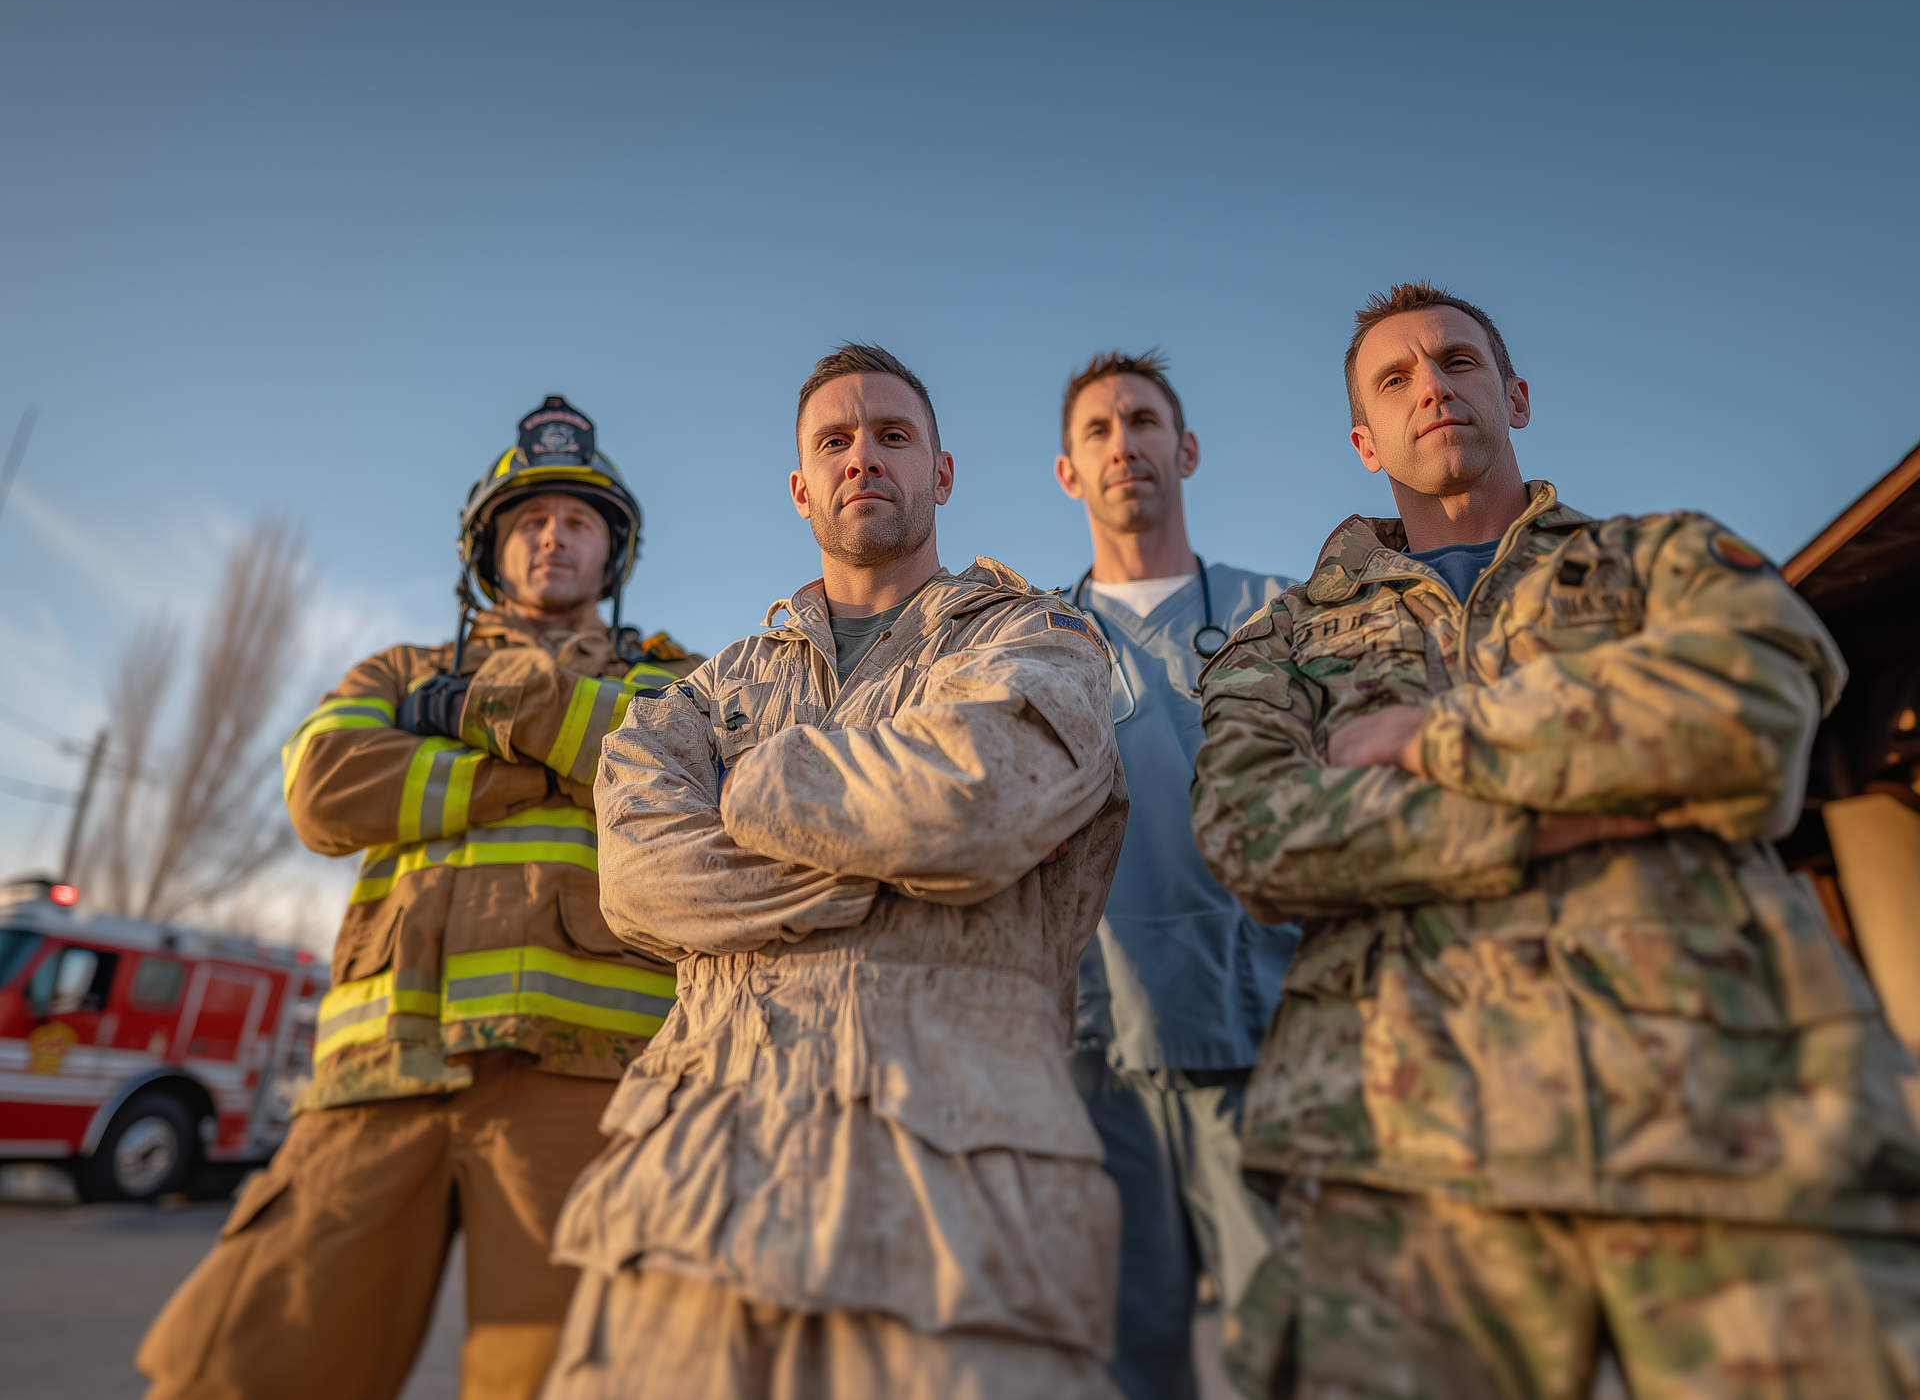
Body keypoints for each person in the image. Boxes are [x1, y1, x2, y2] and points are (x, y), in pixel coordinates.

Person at [1191, 283, 1920, 1398]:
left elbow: (1752, 718)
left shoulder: (1659, 559)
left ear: (1516, 395)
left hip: (1725, 1109)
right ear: (1361, 437)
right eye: (1396, 379)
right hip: (1405, 1149)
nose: (1432, 385)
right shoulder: (1282, 637)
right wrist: (1620, 796)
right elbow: (1253, 838)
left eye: (1458, 361)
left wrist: (1435, 739)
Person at [540, 344, 1129, 1400]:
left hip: (960, 1198)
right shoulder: (704, 692)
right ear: (801, 486)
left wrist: (757, 791)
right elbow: (635, 877)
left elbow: (978, 803)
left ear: (941, 473)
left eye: (894, 436)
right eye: (837, 441)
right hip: (697, 1183)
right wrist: (879, 876)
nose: (866, 458)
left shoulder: (1042, 637)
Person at [138, 397, 701, 1400]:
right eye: (531, 521)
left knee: (574, 1380)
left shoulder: (668, 676)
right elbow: (324, 783)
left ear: (614, 555)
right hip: (377, 1078)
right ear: (489, 547)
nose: (554, 538)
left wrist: (475, 722)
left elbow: (692, 759)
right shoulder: (399, 672)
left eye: (579, 522)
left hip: (584, 1083)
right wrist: (544, 769)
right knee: (248, 1368)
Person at [1053, 350, 1299, 1400]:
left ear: (1185, 447)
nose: (1125, 446)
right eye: (1098, 432)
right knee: (1126, 1366)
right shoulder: (1034, 641)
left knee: (1290, 1356)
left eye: (1144, 422)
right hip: (1098, 1065)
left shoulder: (1282, 614)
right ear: (1067, 472)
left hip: (1268, 1052)